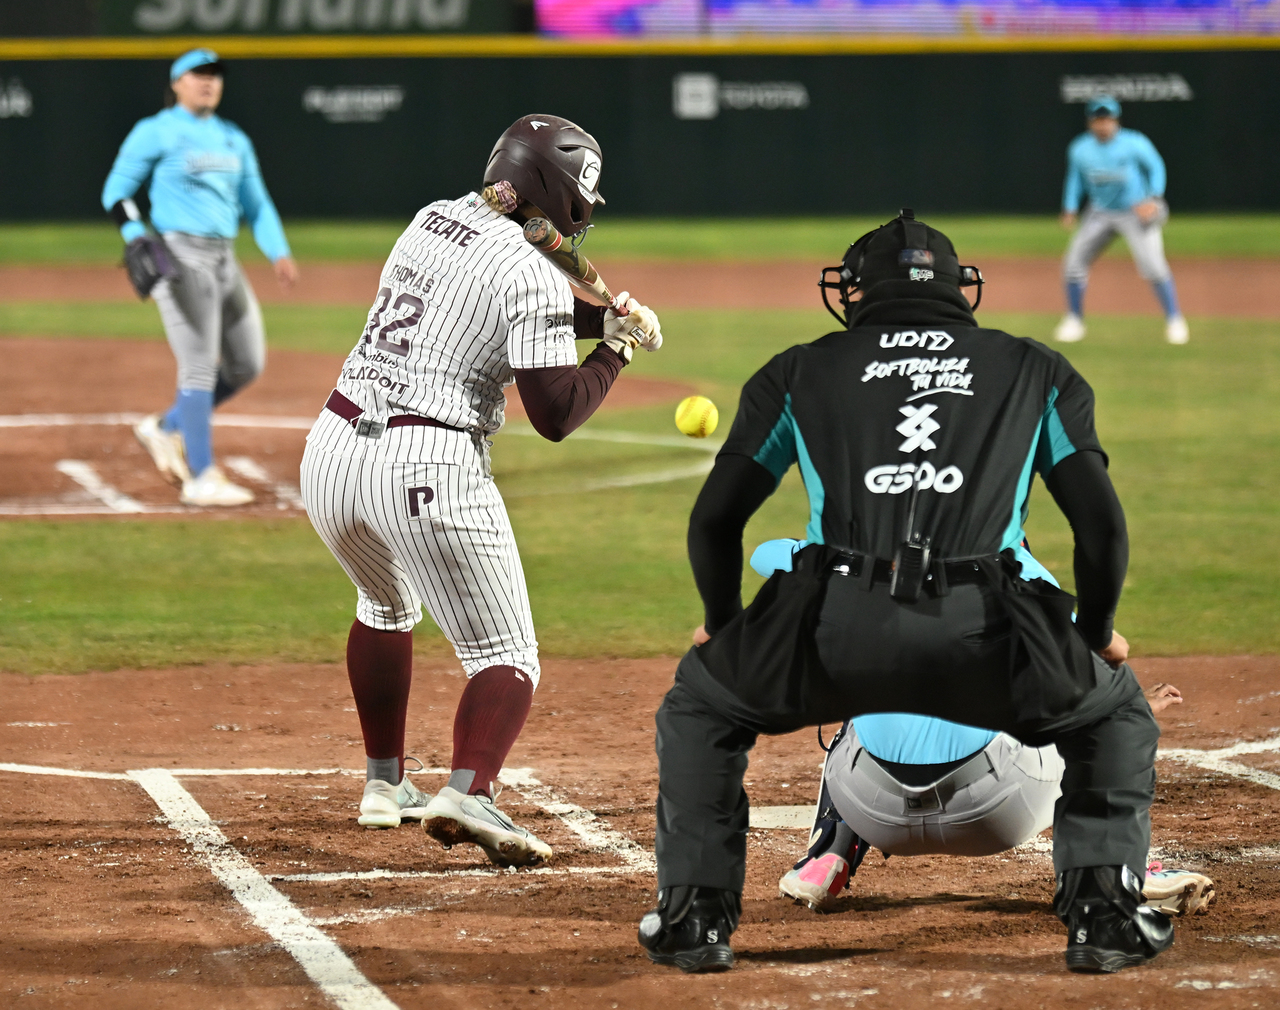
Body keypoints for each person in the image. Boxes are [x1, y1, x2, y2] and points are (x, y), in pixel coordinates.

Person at [639, 210, 1174, 976]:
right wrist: (1097, 632)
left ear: (854, 294)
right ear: (962, 290)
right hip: (987, 628)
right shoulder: (1036, 368)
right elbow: (1103, 529)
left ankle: (693, 918)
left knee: (701, 704)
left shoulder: (799, 369)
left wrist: (723, 628)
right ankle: (1105, 918)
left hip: (834, 624)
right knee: (1114, 713)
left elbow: (716, 521)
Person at [299, 115, 661, 865]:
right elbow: (556, 413)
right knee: (507, 655)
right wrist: (617, 347)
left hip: (332, 454)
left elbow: (495, 294)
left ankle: (384, 783)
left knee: (384, 604)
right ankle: (469, 789)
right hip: (426, 464)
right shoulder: (529, 270)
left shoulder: (431, 216)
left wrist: (601, 314)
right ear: (564, 192)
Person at [747, 548, 1212, 917]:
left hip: (871, 809)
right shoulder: (1006, 557)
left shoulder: (854, 557)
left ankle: (827, 857)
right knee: (1079, 703)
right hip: (993, 811)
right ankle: (1110, 873)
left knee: (859, 697)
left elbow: (764, 553)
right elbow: (1108, 651)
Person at [102, 48, 298, 507]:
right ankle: (201, 477)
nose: (208, 82)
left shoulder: (233, 138)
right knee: (200, 365)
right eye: (198, 74)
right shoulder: (156, 132)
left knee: (247, 363)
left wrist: (278, 250)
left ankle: (165, 427)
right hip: (181, 256)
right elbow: (117, 190)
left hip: (225, 258)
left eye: (214, 75)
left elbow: (258, 203)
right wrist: (135, 234)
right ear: (176, 82)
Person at [1054, 95, 1188, 346]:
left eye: (1107, 119)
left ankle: (1175, 320)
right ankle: (1074, 319)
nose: (1103, 124)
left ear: (1116, 120)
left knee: (1154, 267)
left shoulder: (1134, 142)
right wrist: (1070, 207)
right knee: (1072, 264)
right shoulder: (1080, 148)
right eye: (1098, 119)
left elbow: (1157, 167)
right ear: (1090, 122)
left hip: (1135, 211)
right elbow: (1075, 179)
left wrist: (1154, 198)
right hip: (1100, 212)